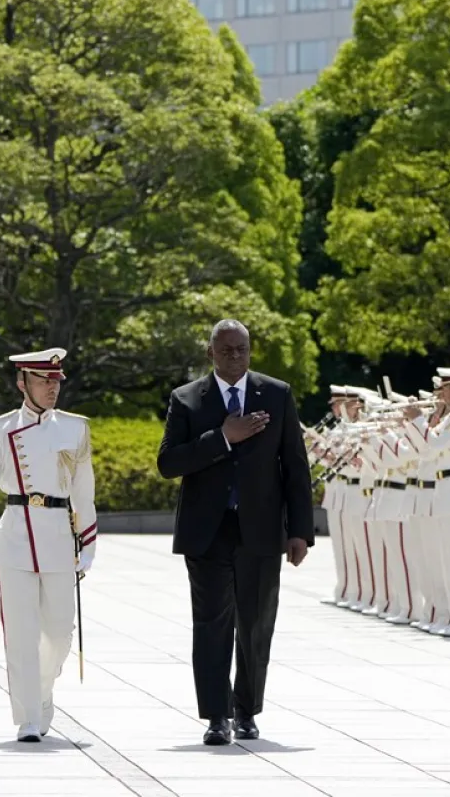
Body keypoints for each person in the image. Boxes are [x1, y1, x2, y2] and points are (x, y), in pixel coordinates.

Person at [156, 319, 314, 746]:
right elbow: (168, 463)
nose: (235, 357)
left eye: (241, 349)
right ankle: (216, 716)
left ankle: (246, 711)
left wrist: (300, 530)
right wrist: (222, 438)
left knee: (256, 623)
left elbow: (295, 467)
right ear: (211, 353)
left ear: (250, 350)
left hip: (261, 530)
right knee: (211, 624)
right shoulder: (187, 399)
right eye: (226, 350)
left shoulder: (276, 395)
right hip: (208, 532)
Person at [0, 348, 97, 743]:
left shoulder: (75, 428)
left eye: (56, 381)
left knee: (59, 633)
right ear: (22, 383)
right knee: (19, 632)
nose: (52, 388)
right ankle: (28, 717)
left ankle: (43, 690)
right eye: (43, 381)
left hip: (57, 534)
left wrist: (88, 542)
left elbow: (84, 491)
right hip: (16, 534)